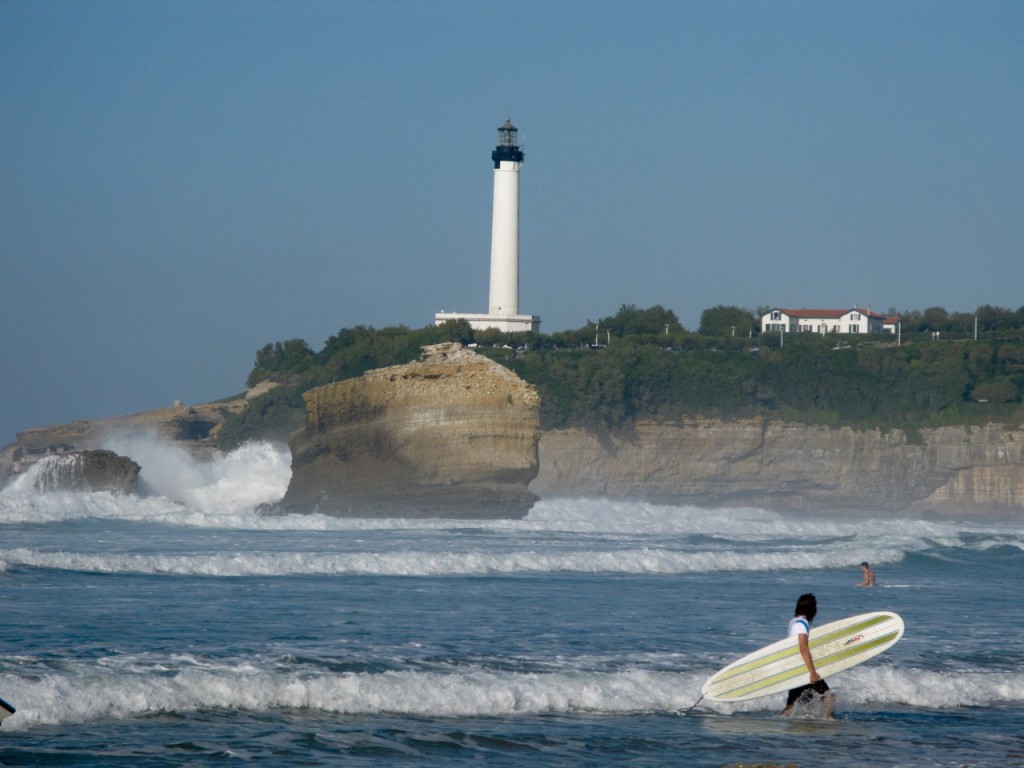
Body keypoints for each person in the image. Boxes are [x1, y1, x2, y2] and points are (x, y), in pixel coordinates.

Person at [781, 593, 834, 717]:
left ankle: (780, 722)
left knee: (793, 703)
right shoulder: (801, 623)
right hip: (803, 667)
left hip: (796, 667)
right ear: (811, 608)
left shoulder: (794, 621)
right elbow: (803, 648)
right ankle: (827, 722)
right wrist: (812, 672)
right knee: (829, 697)